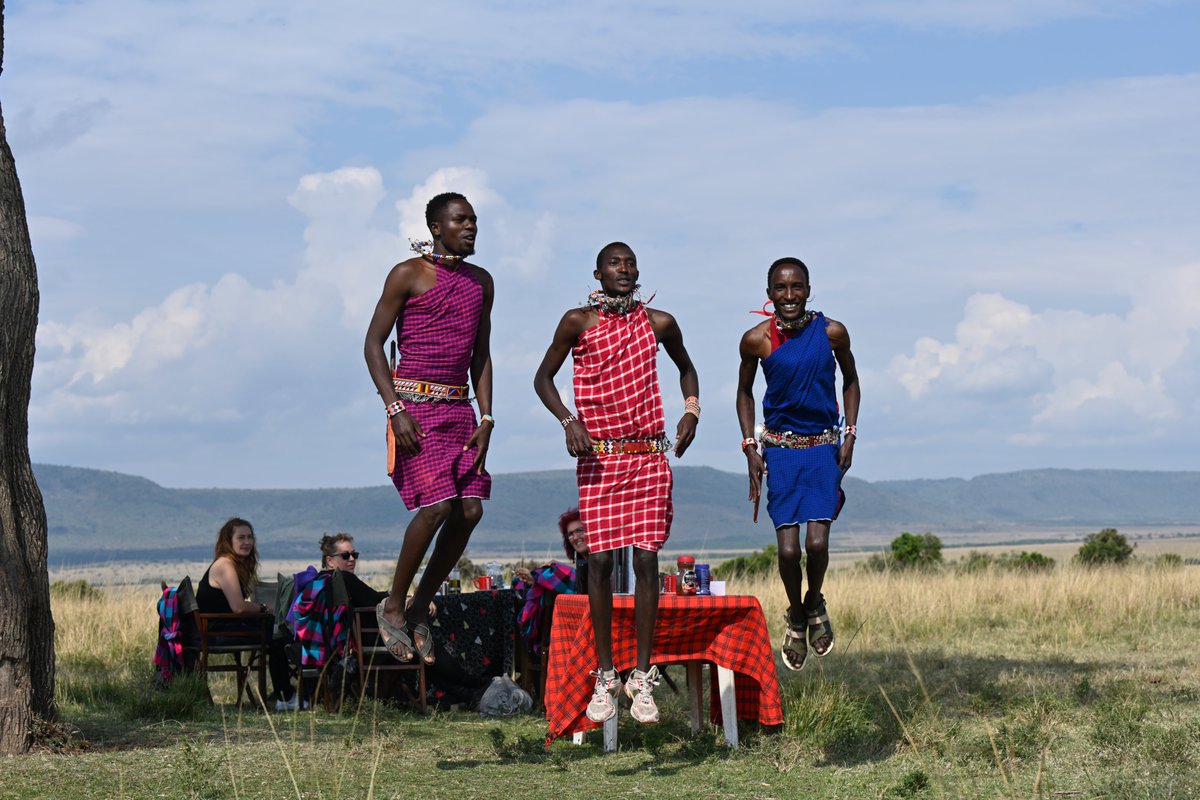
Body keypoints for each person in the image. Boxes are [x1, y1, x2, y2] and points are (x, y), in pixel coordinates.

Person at [533, 242, 699, 725]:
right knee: (600, 563)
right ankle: (606, 675)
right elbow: (543, 378)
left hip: (647, 454)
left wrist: (691, 410)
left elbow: (686, 366)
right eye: (614, 263)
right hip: (599, 458)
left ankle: (641, 678)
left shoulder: (659, 322)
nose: (623, 270)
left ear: (637, 273)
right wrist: (568, 421)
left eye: (629, 264)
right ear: (598, 273)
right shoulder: (576, 322)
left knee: (647, 561)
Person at [363, 192, 495, 666]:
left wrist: (487, 417)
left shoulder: (481, 282)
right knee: (437, 505)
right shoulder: (407, 274)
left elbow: (481, 354)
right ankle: (393, 604)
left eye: (474, 220)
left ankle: (420, 607)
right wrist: (394, 409)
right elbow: (373, 344)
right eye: (461, 220)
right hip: (413, 408)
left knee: (471, 511)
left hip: (461, 411)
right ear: (436, 227)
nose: (471, 227)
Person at [735, 257, 860, 671]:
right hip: (782, 451)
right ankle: (795, 614)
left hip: (824, 446)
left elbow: (851, 380)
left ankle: (814, 601)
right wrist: (750, 445)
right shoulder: (757, 340)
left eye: (797, 287)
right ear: (769, 294)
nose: (789, 296)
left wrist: (851, 432)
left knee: (817, 544)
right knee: (788, 551)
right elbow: (745, 394)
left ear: (808, 289)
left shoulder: (831, 333)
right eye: (780, 288)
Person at [317, 533, 494, 710]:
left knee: (426, 655)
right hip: (371, 641)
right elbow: (374, 600)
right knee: (426, 643)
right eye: (345, 555)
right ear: (330, 561)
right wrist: (412, 599)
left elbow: (372, 599)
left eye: (354, 555)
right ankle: (476, 683)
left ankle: (471, 694)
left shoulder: (324, 582)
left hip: (360, 641)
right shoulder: (342, 578)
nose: (351, 560)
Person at [196, 517, 297, 709]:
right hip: (218, 632)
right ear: (228, 541)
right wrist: (262, 608)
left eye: (250, 537)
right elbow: (239, 607)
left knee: (278, 629)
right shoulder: (225, 565)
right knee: (279, 634)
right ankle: (285, 696)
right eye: (241, 537)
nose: (247, 542)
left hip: (221, 628)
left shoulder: (232, 565)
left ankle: (284, 694)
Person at [514, 508, 589, 653]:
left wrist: (537, 576)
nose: (575, 537)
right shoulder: (571, 567)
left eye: (580, 530)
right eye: (570, 534)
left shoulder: (606, 559)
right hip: (566, 630)